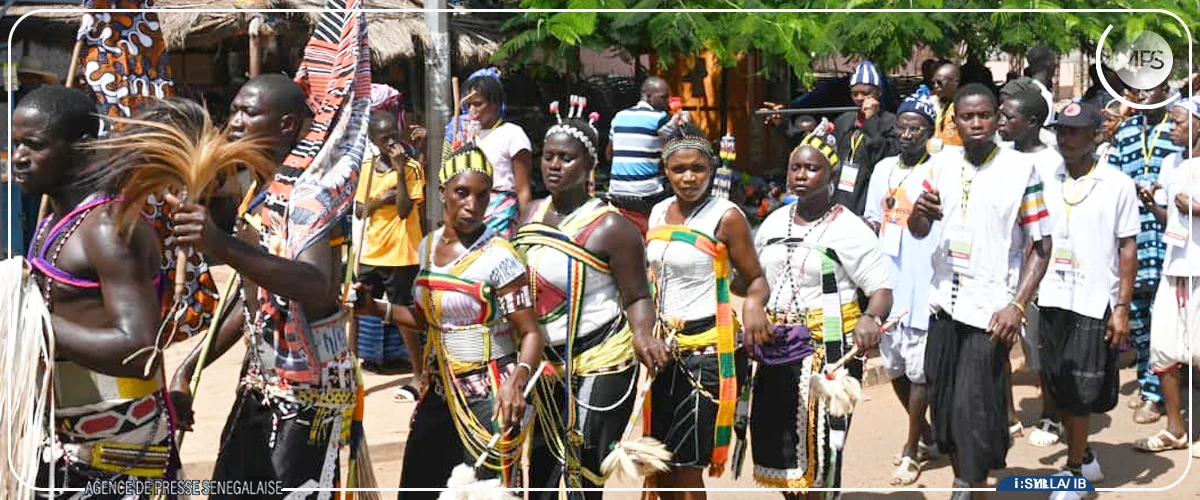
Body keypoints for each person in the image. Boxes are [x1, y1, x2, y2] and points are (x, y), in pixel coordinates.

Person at [167, 74, 357, 497]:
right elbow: (252, 300)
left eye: (248, 113)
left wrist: (221, 244)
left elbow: (318, 287)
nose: (233, 123)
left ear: (287, 125)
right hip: (262, 383)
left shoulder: (310, 195)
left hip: (307, 394)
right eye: (233, 111)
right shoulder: (258, 192)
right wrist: (186, 368)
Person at [350, 144, 545, 497]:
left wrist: (517, 381)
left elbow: (531, 333)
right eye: (462, 193)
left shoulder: (500, 257)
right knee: (417, 486)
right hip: (440, 391)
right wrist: (375, 308)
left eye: (483, 195)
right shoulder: (427, 247)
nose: (473, 204)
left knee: (489, 492)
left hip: (490, 396)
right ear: (442, 193)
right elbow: (428, 320)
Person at [14, 85, 175, 496]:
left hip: (118, 457)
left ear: (82, 149)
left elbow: (140, 350)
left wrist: (32, 319)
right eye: (14, 143)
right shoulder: (55, 220)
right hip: (68, 449)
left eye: (33, 145)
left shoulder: (107, 229)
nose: (18, 157)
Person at [908, 84, 1052, 498]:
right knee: (945, 398)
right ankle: (967, 471)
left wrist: (1017, 306)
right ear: (954, 121)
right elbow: (918, 231)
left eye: (984, 116)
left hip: (990, 307)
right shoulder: (939, 165)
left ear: (997, 118)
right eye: (967, 117)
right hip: (942, 302)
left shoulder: (1022, 170)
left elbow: (1041, 249)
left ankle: (965, 483)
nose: (976, 124)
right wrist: (919, 215)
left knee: (974, 399)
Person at [515, 104, 666, 496]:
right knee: (545, 465)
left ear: (589, 165)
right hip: (547, 361)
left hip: (602, 358)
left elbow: (636, 295)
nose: (554, 165)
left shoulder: (612, 226)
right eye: (548, 156)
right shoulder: (532, 212)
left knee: (584, 468)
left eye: (566, 158)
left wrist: (644, 335)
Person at [752, 124, 893, 496]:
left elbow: (881, 288)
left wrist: (870, 318)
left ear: (830, 175)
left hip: (828, 355)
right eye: (795, 167)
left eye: (812, 168)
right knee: (781, 450)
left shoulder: (849, 228)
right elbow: (753, 281)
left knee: (820, 452)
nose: (801, 175)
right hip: (777, 349)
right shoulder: (771, 223)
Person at [645, 123, 770, 499]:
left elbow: (755, 279)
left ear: (711, 169)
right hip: (663, 353)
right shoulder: (656, 213)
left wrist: (753, 305)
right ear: (665, 171)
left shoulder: (726, 216)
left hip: (708, 354)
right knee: (660, 464)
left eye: (697, 168)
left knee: (687, 469)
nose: (688, 177)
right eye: (679, 169)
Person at [1035, 102, 1138, 495]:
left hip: (1094, 302)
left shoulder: (1117, 184)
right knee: (1057, 385)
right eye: (1061, 130)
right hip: (1051, 296)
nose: (1066, 138)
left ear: (1097, 135)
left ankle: (1074, 470)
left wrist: (1122, 308)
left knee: (1080, 393)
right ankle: (1089, 454)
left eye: (1076, 131)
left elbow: (1127, 247)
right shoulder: (1046, 178)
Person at [862, 86, 941, 485]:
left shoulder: (940, 170)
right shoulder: (882, 171)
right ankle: (927, 435)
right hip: (889, 280)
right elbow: (874, 222)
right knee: (894, 367)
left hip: (924, 280)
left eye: (917, 128)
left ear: (930, 131)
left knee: (920, 370)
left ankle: (911, 450)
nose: (908, 135)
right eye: (903, 127)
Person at [1109, 80, 1183, 424]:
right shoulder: (1125, 134)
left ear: (1166, 90)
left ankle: (1155, 393)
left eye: (1150, 90)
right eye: (1137, 91)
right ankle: (1148, 381)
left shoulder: (1180, 131)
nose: (1142, 96)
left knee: (1164, 316)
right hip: (1134, 237)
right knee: (1137, 316)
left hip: (1169, 234)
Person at [1132, 95, 1200, 458]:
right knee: (1164, 349)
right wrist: (1151, 204)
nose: (1172, 129)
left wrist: (1198, 210)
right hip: (1173, 268)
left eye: (1178, 123)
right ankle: (1175, 429)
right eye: (1172, 122)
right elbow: (1169, 221)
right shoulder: (1171, 163)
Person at [996, 88, 1064, 445]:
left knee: (1040, 348)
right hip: (1002, 265)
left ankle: (1052, 414)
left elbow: (1050, 227)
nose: (1000, 122)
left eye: (1009, 117)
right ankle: (1007, 416)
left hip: (1040, 268)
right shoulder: (1000, 156)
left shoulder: (1053, 163)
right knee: (1000, 344)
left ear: (1032, 122)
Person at [354, 111, 427, 398]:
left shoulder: (410, 168)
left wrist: (398, 171)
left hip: (402, 252)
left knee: (403, 315)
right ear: (374, 140)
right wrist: (382, 198)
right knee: (355, 305)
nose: (391, 143)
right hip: (373, 250)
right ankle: (350, 371)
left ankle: (419, 375)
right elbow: (360, 210)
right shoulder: (368, 168)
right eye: (384, 139)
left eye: (394, 136)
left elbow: (405, 209)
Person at [446, 67, 533, 238]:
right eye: (468, 105)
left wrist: (527, 231)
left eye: (478, 104)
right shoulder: (465, 135)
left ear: (495, 104)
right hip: (468, 210)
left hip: (502, 214)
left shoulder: (512, 134)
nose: (472, 110)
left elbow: (523, 189)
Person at [606, 76, 683, 233]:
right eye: (663, 97)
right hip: (646, 195)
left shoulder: (619, 117)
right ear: (648, 96)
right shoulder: (661, 119)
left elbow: (609, 155)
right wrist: (681, 122)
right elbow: (681, 150)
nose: (667, 101)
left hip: (615, 192)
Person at [832, 60, 900, 215]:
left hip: (867, 197)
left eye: (866, 93)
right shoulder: (844, 120)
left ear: (878, 93)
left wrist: (871, 120)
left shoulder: (890, 122)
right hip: (841, 194)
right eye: (855, 93)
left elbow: (883, 156)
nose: (860, 98)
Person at [931, 62, 963, 151]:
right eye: (934, 83)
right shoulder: (934, 104)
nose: (935, 86)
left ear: (955, 82)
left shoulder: (965, 107)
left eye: (939, 82)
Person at [1025, 45, 1058, 126]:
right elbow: (1043, 130)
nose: (1056, 65)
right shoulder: (1043, 95)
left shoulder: (1026, 87)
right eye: (1054, 61)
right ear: (1048, 63)